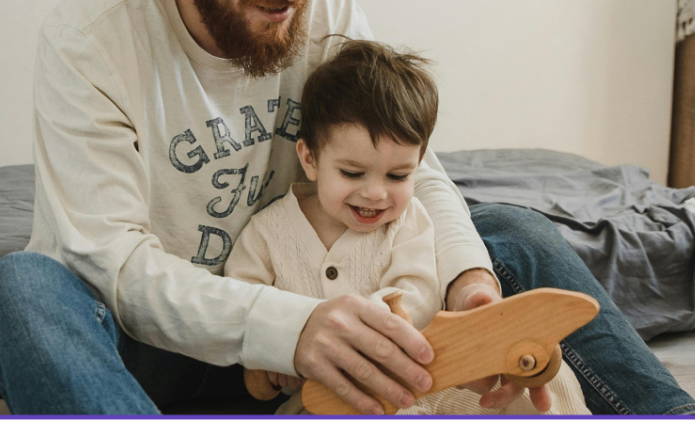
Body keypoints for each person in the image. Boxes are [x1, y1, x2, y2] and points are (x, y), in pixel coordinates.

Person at [0, 0, 695, 416]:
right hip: (153, 347)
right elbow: (112, 265)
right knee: (20, 288)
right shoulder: (92, 36)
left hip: (329, 331)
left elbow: (422, 171)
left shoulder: (329, 15)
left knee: (509, 231)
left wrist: (471, 291)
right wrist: (290, 327)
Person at [225, 40, 589, 415]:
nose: (375, 193)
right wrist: (273, 357)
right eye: (352, 173)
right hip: (327, 400)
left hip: (428, 383)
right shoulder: (267, 232)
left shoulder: (408, 220)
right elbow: (244, 307)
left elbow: (418, 293)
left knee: (542, 392)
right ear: (310, 159)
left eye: (398, 175)